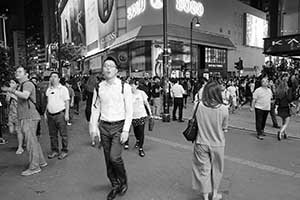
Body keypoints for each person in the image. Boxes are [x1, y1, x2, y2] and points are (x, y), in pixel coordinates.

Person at [89, 56, 133, 200]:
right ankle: (115, 185)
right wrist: (94, 129)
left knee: (115, 157)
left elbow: (129, 110)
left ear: (116, 70)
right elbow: (95, 109)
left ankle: (123, 180)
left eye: (111, 66)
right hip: (104, 126)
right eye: (105, 66)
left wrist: (126, 130)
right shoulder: (99, 87)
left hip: (119, 126)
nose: (107, 68)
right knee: (108, 159)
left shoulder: (124, 87)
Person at [1, 66, 47, 176]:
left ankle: (34, 167)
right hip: (27, 116)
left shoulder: (27, 84)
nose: (17, 73)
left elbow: (25, 96)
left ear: (26, 74)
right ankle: (41, 161)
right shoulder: (22, 85)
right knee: (33, 141)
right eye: (16, 71)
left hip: (29, 117)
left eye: (20, 71)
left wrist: (11, 90)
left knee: (30, 143)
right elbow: (21, 99)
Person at [192, 81, 229, 200]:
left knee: (203, 169)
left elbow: (195, 121)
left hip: (201, 142)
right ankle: (215, 193)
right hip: (218, 143)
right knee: (217, 169)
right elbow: (225, 127)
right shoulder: (223, 108)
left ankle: (205, 196)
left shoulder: (198, 106)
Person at [45, 72, 70, 160]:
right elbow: (47, 102)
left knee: (63, 134)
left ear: (59, 79)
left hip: (60, 114)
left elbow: (67, 102)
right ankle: (55, 150)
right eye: (51, 77)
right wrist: (45, 113)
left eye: (55, 76)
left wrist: (67, 114)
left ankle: (64, 150)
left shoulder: (63, 89)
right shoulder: (49, 89)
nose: (53, 78)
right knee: (52, 134)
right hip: (50, 115)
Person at [126, 79, 152, 157]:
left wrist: (150, 113)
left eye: (132, 85)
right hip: (132, 116)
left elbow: (146, 103)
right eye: (129, 85)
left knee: (141, 132)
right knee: (136, 131)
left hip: (141, 115)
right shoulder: (128, 95)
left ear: (136, 85)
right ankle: (137, 141)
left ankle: (141, 148)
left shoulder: (142, 93)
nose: (131, 87)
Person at [6, 79, 23, 154]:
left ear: (16, 84)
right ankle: (22, 137)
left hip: (18, 114)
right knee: (11, 131)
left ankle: (20, 147)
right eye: (10, 82)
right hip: (11, 114)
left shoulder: (19, 91)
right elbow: (7, 102)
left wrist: (13, 95)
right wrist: (8, 96)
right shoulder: (8, 92)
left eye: (13, 83)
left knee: (18, 130)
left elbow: (20, 101)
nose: (11, 84)